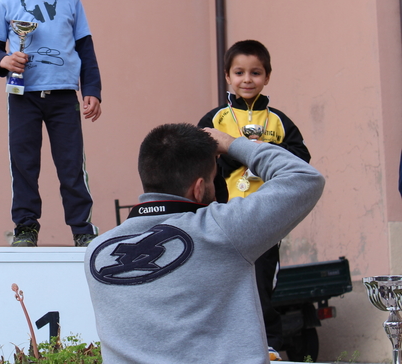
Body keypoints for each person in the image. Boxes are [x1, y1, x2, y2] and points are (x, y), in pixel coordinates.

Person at [85, 124, 324, 364]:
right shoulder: (220, 229)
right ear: (199, 189)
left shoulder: (98, 251)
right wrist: (232, 144)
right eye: (212, 180)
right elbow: (303, 178)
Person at [0, 0, 102, 247]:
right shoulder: (5, 4)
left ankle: (82, 229)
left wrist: (91, 89)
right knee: (24, 163)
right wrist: (4, 61)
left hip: (64, 97)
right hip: (23, 97)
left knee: (71, 164)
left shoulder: (71, 2)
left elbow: (86, 50)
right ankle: (25, 227)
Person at [198, 39, 310, 357]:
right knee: (222, 280)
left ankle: (268, 343)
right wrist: (237, 152)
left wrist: (264, 151)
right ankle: (222, 343)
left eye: (255, 73)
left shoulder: (278, 121)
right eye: (239, 72)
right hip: (223, 214)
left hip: (265, 215)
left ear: (267, 76)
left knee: (261, 280)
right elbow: (199, 157)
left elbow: (301, 157)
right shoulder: (216, 118)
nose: (247, 79)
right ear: (227, 77)